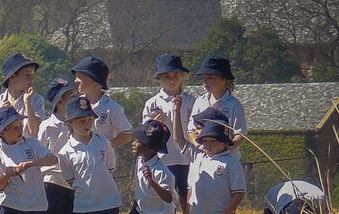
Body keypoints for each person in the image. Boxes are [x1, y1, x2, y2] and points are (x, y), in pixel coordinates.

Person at [35, 76, 78, 214]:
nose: (76, 98)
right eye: (70, 95)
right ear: (60, 100)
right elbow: (40, 152)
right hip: (52, 181)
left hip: (75, 182)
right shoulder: (47, 126)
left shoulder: (80, 120)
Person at [141, 54, 194, 203]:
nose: (172, 80)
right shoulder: (152, 103)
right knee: (165, 199)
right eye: (166, 76)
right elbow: (144, 135)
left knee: (187, 201)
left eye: (176, 75)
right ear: (159, 78)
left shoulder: (191, 101)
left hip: (186, 157)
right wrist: (151, 123)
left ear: (182, 76)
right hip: (163, 158)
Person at [71, 55, 134, 152]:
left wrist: (105, 148)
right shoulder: (75, 104)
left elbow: (126, 134)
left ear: (95, 80)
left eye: (80, 78)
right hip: (79, 159)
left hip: (103, 164)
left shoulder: (111, 107)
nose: (76, 81)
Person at [190, 54, 247, 135]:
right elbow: (191, 131)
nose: (205, 82)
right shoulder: (199, 101)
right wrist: (198, 145)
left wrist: (223, 147)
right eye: (203, 78)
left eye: (210, 78)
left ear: (223, 78)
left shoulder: (234, 105)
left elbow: (240, 134)